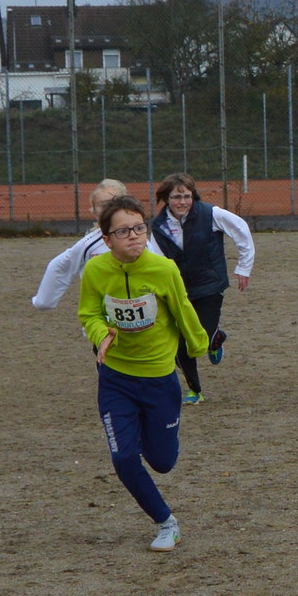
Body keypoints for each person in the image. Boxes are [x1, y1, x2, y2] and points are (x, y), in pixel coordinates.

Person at [77, 193, 205, 550]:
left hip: (159, 379)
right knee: (123, 457)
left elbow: (182, 310)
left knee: (162, 462)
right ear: (107, 240)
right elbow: (89, 313)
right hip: (115, 378)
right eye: (123, 231)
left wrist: (200, 344)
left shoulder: (164, 270)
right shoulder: (96, 271)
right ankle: (166, 522)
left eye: (139, 228)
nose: (133, 236)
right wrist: (101, 334)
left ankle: (161, 436)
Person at [148, 175, 256, 404]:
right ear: (166, 198)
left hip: (210, 286)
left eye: (187, 196)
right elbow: (155, 260)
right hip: (178, 290)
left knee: (200, 339)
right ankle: (194, 390)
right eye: (176, 197)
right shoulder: (158, 226)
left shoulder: (210, 214)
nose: (182, 202)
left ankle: (215, 338)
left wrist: (243, 268)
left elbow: (241, 230)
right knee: (180, 343)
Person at [30, 179, 130, 311]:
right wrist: (43, 301)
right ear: (94, 211)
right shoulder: (88, 244)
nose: (108, 210)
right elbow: (60, 266)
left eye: (114, 204)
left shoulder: (138, 238)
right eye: (103, 205)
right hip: (99, 316)